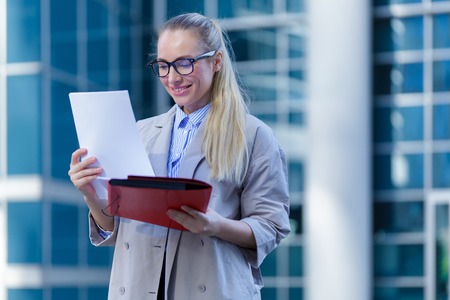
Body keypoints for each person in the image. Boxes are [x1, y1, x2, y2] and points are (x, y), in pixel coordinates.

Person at [68, 12, 290, 300]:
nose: (172, 77)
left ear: (217, 61)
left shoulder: (253, 135)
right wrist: (91, 194)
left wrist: (215, 225)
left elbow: (271, 226)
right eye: (163, 65)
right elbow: (117, 227)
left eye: (185, 63)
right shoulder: (139, 132)